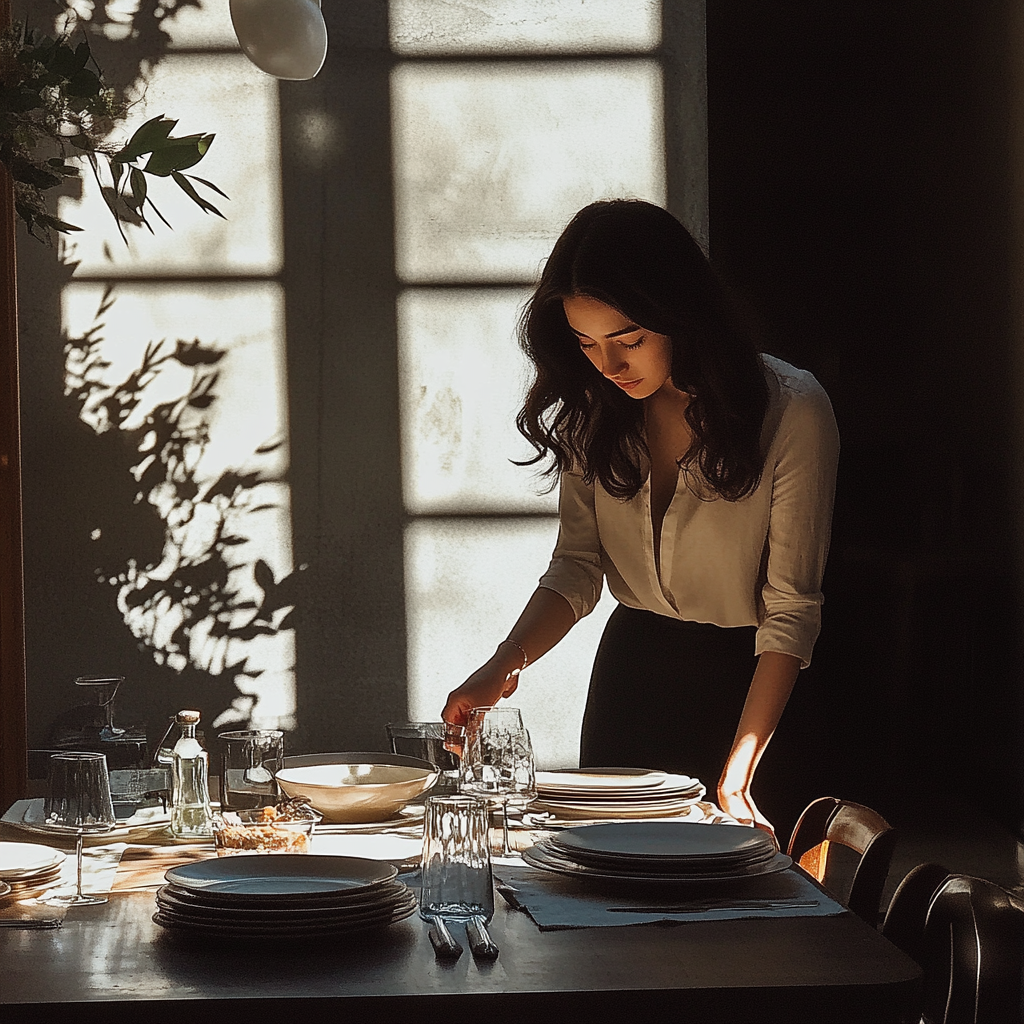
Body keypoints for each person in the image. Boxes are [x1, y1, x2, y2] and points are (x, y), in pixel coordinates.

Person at [440, 199, 839, 838]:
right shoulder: (593, 410)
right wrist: (502, 665)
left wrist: (736, 777)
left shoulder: (791, 412)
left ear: (680, 315)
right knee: (610, 902)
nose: (609, 366)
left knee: (742, 919)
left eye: (629, 340)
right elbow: (575, 568)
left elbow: (792, 609)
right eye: (586, 343)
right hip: (633, 677)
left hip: (753, 688)